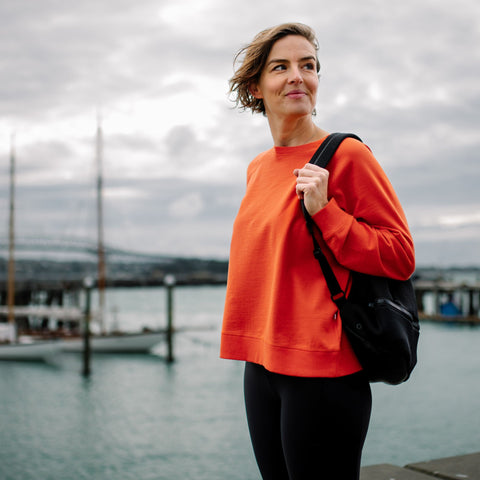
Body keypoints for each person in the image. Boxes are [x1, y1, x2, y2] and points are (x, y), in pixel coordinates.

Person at [220, 23, 415, 480]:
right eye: (281, 67)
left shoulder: (347, 156)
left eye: (308, 66)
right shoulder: (258, 168)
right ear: (256, 87)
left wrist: (327, 212)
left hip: (322, 369)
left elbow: (400, 254)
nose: (297, 76)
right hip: (262, 365)